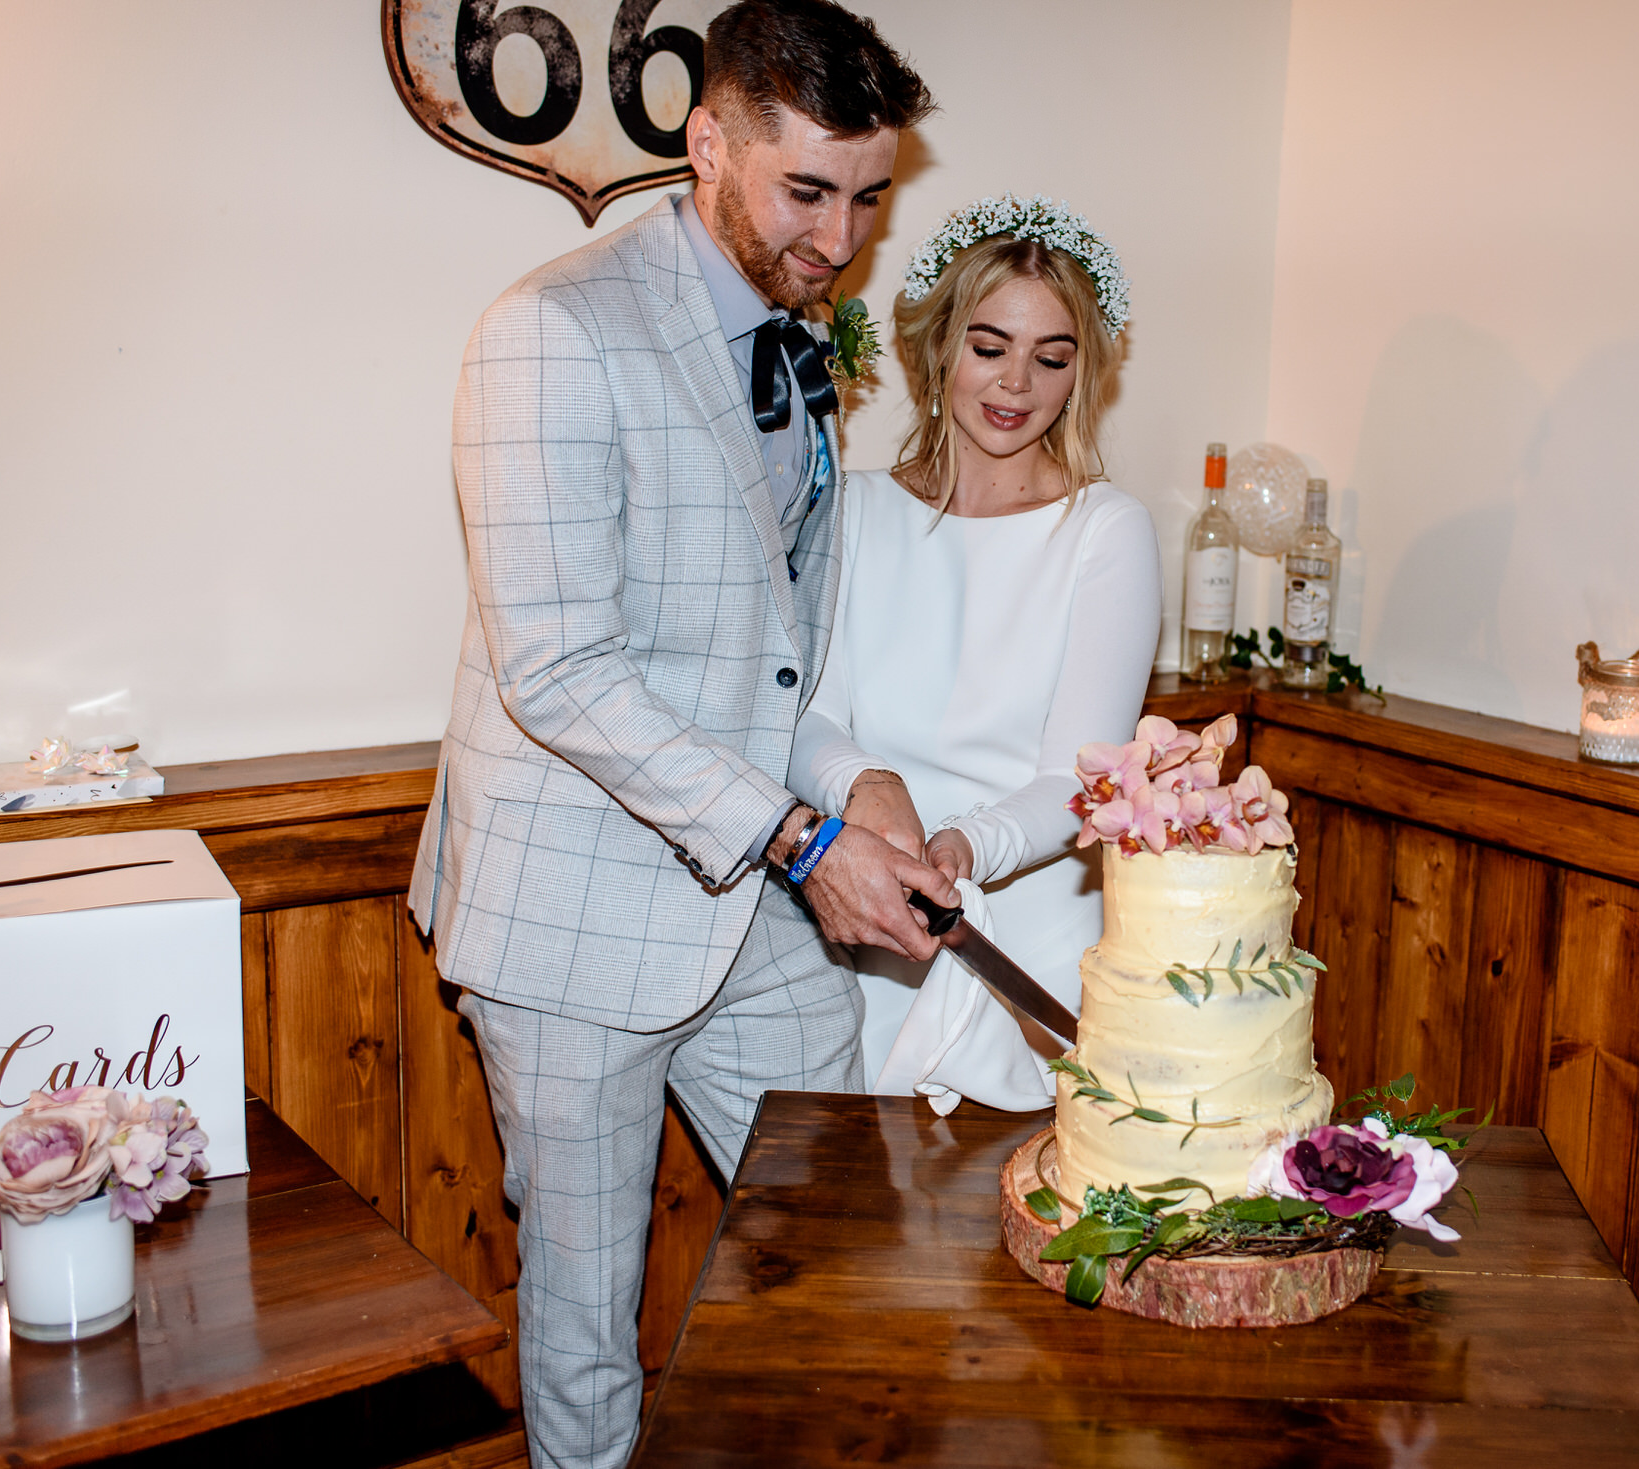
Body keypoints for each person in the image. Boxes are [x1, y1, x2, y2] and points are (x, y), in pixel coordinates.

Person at [405, 5, 942, 1466]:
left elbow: (769, 672)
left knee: (842, 1233)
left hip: (749, 898)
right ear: (708, 144)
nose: (839, 240)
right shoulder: (551, 331)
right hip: (571, 913)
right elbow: (561, 669)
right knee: (587, 1318)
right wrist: (798, 837)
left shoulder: (802, 347)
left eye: (870, 196)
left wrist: (859, 784)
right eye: (807, 192)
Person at [786, 197, 1162, 1108]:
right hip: (860, 934)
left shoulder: (1105, 532)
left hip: (1023, 948)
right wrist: (864, 783)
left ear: (1084, 374)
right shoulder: (857, 508)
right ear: (938, 347)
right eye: (990, 347)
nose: (1016, 385)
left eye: (1052, 357)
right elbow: (805, 718)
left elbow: (1083, 778)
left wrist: (965, 847)